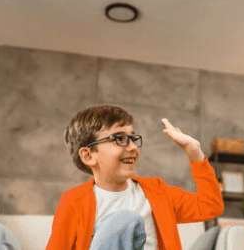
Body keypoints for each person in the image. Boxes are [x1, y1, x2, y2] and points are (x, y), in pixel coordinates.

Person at [46, 105, 223, 250]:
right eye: (119, 139)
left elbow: (210, 207)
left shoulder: (157, 191)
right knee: (124, 220)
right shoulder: (73, 201)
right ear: (88, 156)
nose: (132, 147)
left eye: (132, 138)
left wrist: (195, 153)